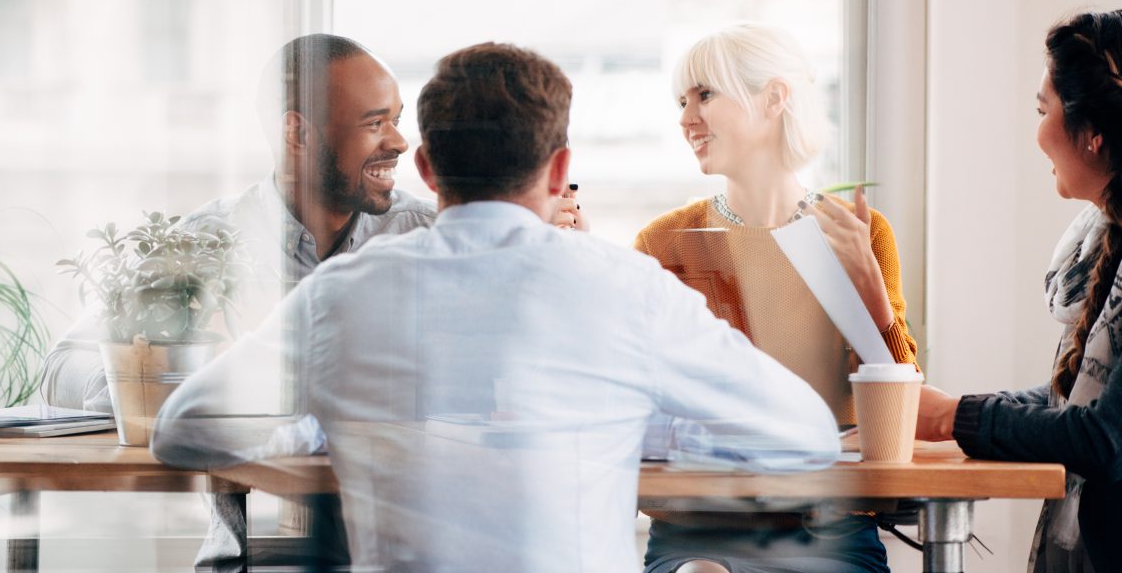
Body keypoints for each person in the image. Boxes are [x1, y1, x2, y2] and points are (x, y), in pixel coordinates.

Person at [151, 42, 842, 573]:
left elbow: (181, 429)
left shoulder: (339, 295)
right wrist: (642, 428)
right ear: (557, 165)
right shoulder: (628, 287)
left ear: (426, 168)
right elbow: (806, 433)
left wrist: (324, 420)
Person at [634, 23, 919, 573]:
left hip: (830, 529)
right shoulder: (663, 243)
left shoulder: (859, 234)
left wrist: (868, 286)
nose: (686, 118)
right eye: (682, 101)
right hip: (698, 531)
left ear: (773, 99)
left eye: (705, 95)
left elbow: (894, 418)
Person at [917, 10, 1122, 572]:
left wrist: (950, 418)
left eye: (1042, 109)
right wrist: (954, 411)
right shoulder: (1106, 246)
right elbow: (1075, 398)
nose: (1036, 133)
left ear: (1092, 134)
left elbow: (1104, 437)